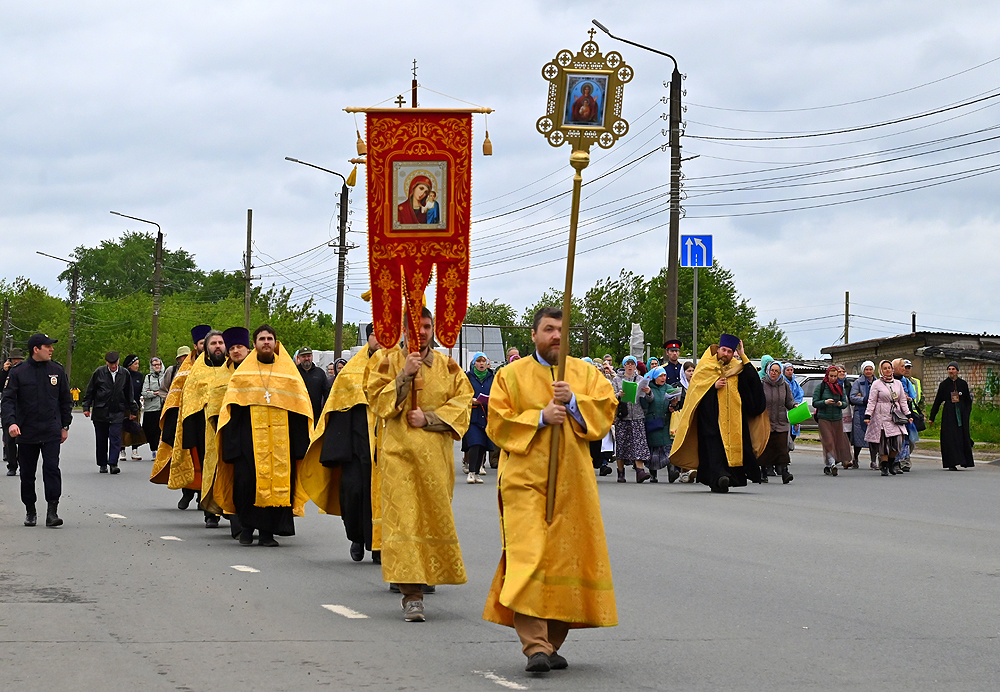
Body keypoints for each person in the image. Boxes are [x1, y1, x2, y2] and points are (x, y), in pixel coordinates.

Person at [483, 306, 618, 673]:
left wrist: (574, 402)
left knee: (565, 558)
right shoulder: (510, 375)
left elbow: (607, 408)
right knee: (528, 557)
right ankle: (535, 646)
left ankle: (551, 642)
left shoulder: (584, 373)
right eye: (548, 329)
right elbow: (497, 423)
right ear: (534, 335)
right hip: (523, 482)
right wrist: (540, 418)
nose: (557, 335)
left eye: (562, 329)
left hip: (573, 482)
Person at [365, 306, 472, 622]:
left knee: (430, 518)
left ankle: (426, 573)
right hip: (398, 456)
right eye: (415, 327)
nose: (421, 332)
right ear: (404, 330)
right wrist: (404, 376)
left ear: (433, 328)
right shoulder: (385, 360)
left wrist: (428, 418)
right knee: (405, 521)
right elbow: (375, 400)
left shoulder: (448, 366)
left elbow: (463, 403)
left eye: (426, 326)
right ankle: (411, 595)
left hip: (434, 458)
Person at [217, 324, 313, 547]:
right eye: (262, 339)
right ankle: (246, 530)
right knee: (246, 484)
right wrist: (234, 448)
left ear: (276, 343)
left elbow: (300, 411)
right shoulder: (242, 376)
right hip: (248, 444)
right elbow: (232, 412)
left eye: (270, 338)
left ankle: (268, 533)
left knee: (277, 484)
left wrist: (300, 447)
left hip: (281, 444)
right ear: (255, 344)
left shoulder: (289, 374)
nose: (266, 342)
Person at [302, 323, 383, 563]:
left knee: (386, 499)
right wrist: (337, 449)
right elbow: (336, 408)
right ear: (368, 338)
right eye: (374, 334)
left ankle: (379, 547)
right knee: (354, 494)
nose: (379, 339)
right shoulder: (350, 372)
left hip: (388, 448)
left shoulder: (399, 366)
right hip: (356, 448)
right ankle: (357, 538)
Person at [669, 334, 769, 493]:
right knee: (714, 450)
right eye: (724, 350)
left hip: (735, 420)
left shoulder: (738, 367)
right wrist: (712, 386)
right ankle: (718, 478)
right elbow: (695, 392)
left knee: (733, 450)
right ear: (718, 350)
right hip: (712, 419)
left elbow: (753, 387)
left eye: (730, 351)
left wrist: (743, 357)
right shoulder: (706, 366)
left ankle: (729, 478)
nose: (726, 354)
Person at [2, 333, 72, 527]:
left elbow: (65, 400)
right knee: (27, 473)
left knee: (51, 469)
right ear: (36, 349)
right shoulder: (18, 372)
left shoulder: (57, 370)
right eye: (47, 346)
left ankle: (52, 511)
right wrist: (11, 423)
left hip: (51, 429)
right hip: (26, 431)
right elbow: (7, 400)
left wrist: (65, 425)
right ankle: (30, 510)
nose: (51, 349)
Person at [175, 330, 232, 528]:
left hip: (231, 427)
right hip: (204, 428)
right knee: (210, 470)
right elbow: (189, 400)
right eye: (213, 343)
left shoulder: (234, 368)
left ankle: (229, 508)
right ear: (206, 348)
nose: (218, 346)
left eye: (221, 342)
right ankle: (210, 512)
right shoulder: (198, 370)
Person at [152, 325, 210, 508]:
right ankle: (187, 492)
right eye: (202, 343)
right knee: (189, 457)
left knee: (208, 459)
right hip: (189, 419)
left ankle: (204, 496)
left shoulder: (218, 363)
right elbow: (174, 394)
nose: (205, 346)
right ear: (196, 346)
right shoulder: (186, 368)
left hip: (211, 419)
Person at [82, 351, 138, 474]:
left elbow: (129, 393)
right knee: (101, 439)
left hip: (117, 410)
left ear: (118, 361)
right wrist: (86, 407)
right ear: (107, 363)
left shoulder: (124, 373)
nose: (113, 366)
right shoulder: (99, 373)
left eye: (115, 363)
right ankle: (102, 463)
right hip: (101, 411)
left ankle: (113, 463)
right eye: (111, 363)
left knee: (115, 438)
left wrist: (133, 409)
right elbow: (90, 391)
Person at [864, 360, 913, 476]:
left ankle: (891, 463)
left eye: (889, 368)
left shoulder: (898, 383)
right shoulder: (877, 384)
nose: (887, 370)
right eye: (885, 368)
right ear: (881, 370)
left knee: (897, 442)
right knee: (884, 443)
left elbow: (902, 401)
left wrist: (908, 414)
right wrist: (868, 415)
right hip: (881, 416)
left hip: (895, 416)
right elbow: (872, 401)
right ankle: (884, 466)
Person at [612, 356, 651, 483]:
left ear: (635, 366)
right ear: (624, 365)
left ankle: (640, 471)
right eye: (627, 364)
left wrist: (648, 392)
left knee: (638, 444)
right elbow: (611, 397)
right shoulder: (617, 380)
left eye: (632, 364)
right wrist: (619, 395)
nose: (630, 366)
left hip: (637, 415)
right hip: (622, 416)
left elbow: (649, 399)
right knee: (622, 444)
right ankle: (621, 472)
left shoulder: (640, 379)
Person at [928, 362, 974, 470]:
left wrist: (967, 412)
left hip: (961, 414)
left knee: (962, 436)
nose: (951, 371)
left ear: (957, 371)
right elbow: (938, 401)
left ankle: (964, 461)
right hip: (949, 414)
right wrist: (932, 417)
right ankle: (951, 463)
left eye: (953, 369)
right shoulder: (944, 384)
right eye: (949, 369)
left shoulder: (962, 384)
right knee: (950, 438)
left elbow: (968, 400)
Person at [758, 361, 796, 484]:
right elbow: (757, 401)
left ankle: (785, 472)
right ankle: (763, 472)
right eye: (772, 370)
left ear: (780, 373)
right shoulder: (762, 384)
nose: (773, 373)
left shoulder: (784, 385)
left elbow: (789, 402)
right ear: (768, 371)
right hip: (766, 422)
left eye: (776, 371)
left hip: (781, 422)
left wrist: (795, 407)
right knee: (766, 448)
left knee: (782, 448)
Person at [641, 366, 680, 482]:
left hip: (666, 422)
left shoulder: (668, 388)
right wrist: (647, 395)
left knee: (668, 448)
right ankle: (653, 474)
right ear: (654, 377)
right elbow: (644, 405)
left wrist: (673, 405)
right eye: (660, 376)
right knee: (654, 450)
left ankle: (672, 471)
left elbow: (672, 406)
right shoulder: (648, 388)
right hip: (652, 422)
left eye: (664, 375)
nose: (664, 378)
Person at [460, 352, 495, 484]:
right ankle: (471, 472)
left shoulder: (492, 377)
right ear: (474, 363)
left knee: (483, 445)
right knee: (475, 443)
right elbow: (461, 394)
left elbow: (498, 392)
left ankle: (478, 471)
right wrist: (470, 400)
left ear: (487, 364)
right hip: (472, 416)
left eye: (483, 361)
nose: (481, 364)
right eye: (479, 361)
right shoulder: (467, 377)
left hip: (487, 415)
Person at [814, 365, 851, 476]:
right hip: (824, 418)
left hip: (837, 418)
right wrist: (825, 402)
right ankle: (832, 464)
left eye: (835, 376)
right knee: (828, 441)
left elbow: (845, 403)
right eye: (831, 376)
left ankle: (828, 464)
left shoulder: (840, 388)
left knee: (837, 442)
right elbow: (815, 402)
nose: (833, 378)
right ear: (827, 375)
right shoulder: (821, 387)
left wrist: (839, 404)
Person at [2, 347, 26, 475]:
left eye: (19, 359)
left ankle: (23, 464)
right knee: (10, 440)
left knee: (23, 440)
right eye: (14, 359)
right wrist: (4, 372)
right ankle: (12, 466)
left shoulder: (26, 371)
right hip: (9, 408)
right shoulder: (7, 372)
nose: (16, 361)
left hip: (22, 409)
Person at [892, 358, 918, 472]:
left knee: (907, 439)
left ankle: (904, 460)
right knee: (893, 439)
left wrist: (908, 398)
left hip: (905, 413)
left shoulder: (907, 381)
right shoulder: (889, 380)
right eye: (902, 367)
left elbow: (913, 396)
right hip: (892, 414)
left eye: (906, 367)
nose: (904, 369)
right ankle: (890, 460)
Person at [850, 362, 877, 469]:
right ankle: (855, 458)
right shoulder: (858, 382)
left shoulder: (877, 382)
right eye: (866, 369)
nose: (868, 371)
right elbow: (852, 397)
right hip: (860, 412)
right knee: (858, 437)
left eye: (870, 369)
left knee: (873, 438)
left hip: (874, 413)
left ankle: (873, 460)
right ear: (863, 370)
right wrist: (864, 399)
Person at [296, 346, 331, 424]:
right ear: (299, 358)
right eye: (304, 356)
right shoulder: (294, 372)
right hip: (298, 416)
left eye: (308, 356)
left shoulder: (320, 373)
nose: (306, 358)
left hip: (315, 416)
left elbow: (327, 393)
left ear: (312, 357)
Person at [121, 354, 146, 461]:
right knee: (123, 428)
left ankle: (135, 450)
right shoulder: (123, 375)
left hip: (136, 406)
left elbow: (141, 390)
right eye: (135, 364)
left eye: (138, 364)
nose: (137, 366)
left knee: (136, 427)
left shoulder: (139, 376)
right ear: (129, 365)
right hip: (124, 406)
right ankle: (122, 450)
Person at [141, 357, 165, 460]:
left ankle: (160, 450)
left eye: (158, 364)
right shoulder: (148, 378)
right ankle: (153, 450)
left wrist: (160, 393)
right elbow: (144, 393)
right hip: (151, 408)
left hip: (163, 406)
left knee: (161, 430)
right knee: (150, 430)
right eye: (155, 365)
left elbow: (168, 389)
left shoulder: (165, 376)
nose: (157, 367)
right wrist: (155, 393)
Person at [782, 363, 805, 449]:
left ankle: (788, 449)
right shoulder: (782, 382)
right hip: (785, 409)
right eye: (788, 370)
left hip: (794, 408)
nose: (790, 372)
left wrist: (796, 403)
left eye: (791, 370)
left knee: (793, 431)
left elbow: (800, 394)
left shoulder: (795, 383)